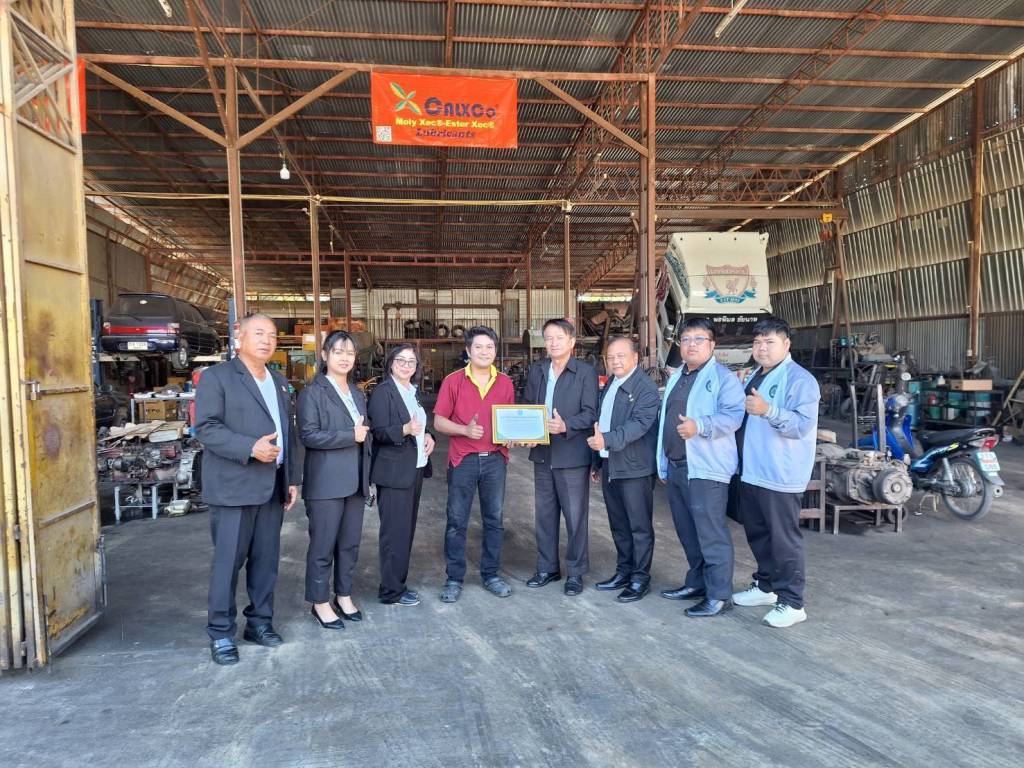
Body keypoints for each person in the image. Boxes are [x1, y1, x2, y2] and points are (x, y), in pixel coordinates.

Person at [195, 314, 300, 666]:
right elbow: (206, 428)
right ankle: (221, 632)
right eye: (259, 333)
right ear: (238, 337)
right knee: (228, 563)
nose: (267, 340)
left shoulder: (279, 381)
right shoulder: (217, 377)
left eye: (272, 335)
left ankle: (260, 622)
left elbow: (288, 433)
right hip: (234, 487)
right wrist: (249, 447)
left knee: (266, 562)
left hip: (272, 486)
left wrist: (291, 479)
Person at [731, 315, 820, 628]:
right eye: (757, 342)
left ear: (786, 344)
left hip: (780, 474)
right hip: (753, 470)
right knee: (758, 533)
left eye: (769, 342)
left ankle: (792, 602)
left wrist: (768, 410)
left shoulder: (800, 380)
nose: (762, 348)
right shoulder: (756, 375)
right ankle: (766, 586)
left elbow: (801, 426)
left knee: (784, 540)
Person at [656, 318, 745, 617]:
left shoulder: (723, 378)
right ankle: (696, 583)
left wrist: (700, 426)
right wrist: (663, 462)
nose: (691, 345)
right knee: (687, 531)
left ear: (712, 345)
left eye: (698, 339)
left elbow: (733, 416)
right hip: (678, 466)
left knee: (710, 533)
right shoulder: (677, 376)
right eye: (686, 339)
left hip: (706, 469)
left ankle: (719, 595)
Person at [433, 326, 516, 603]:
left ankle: (491, 574)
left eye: (489, 347)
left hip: (495, 460)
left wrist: (513, 436)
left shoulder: (505, 382)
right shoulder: (453, 381)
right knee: (457, 521)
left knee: (494, 520)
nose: (484, 351)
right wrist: (464, 431)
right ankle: (454, 578)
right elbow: (439, 421)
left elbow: (509, 420)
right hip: (463, 460)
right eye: (478, 347)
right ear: (468, 351)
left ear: (495, 350)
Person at [297, 330, 371, 630]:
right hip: (326, 482)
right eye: (338, 352)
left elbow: (366, 436)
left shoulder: (357, 393)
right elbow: (309, 435)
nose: (345, 358)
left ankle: (343, 594)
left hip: (355, 481)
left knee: (349, 544)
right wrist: (349, 436)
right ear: (325, 355)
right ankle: (320, 602)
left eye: (350, 353)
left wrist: (369, 477)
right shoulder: (312, 393)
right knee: (323, 545)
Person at [522, 319, 599, 596]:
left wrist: (566, 425)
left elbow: (591, 413)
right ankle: (547, 568)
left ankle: (575, 572)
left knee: (575, 517)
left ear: (572, 342)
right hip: (543, 453)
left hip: (572, 454)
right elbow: (528, 405)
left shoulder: (585, 372)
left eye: (559, 337)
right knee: (544, 515)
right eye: (548, 338)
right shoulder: (538, 370)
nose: (553, 343)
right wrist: (528, 431)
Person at [587, 336, 660, 603]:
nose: (615, 361)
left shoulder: (645, 388)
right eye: (611, 357)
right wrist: (597, 461)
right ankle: (624, 571)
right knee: (619, 523)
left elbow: (638, 425)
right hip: (611, 464)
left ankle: (640, 578)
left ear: (635, 358)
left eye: (621, 356)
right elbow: (601, 422)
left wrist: (606, 441)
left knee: (639, 526)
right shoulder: (612, 383)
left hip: (635, 468)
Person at [367, 344, 435, 607]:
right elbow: (378, 432)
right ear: (391, 363)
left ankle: (398, 583)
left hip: (414, 469)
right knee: (394, 533)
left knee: (405, 531)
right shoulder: (384, 392)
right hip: (394, 473)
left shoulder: (412, 391)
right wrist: (404, 429)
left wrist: (428, 436)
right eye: (401, 360)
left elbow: (420, 426)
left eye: (411, 362)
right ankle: (390, 591)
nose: (406, 366)